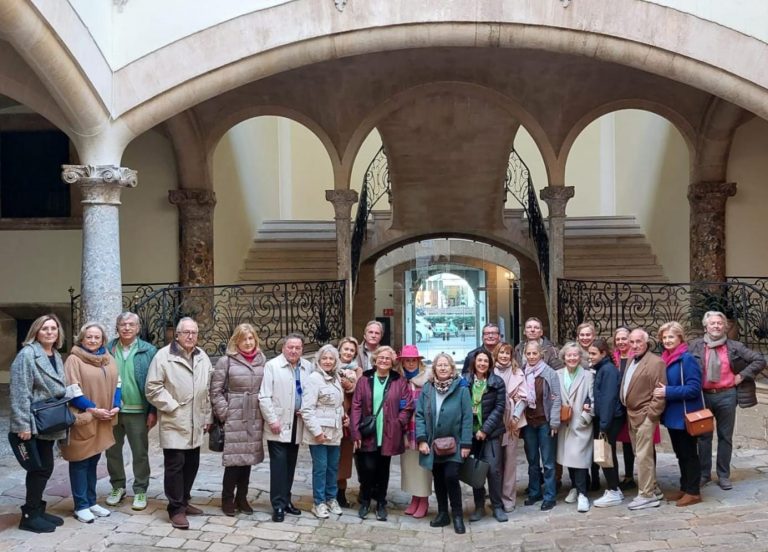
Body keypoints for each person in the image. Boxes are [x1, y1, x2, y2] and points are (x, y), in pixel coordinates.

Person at [146, 317, 214, 530]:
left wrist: (208, 415)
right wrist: (173, 406)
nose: (190, 336)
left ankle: (184, 501)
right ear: (177, 335)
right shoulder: (163, 356)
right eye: (186, 332)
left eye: (194, 332)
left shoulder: (203, 356)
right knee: (175, 465)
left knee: (192, 464)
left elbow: (209, 389)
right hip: (175, 419)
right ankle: (175, 509)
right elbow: (152, 387)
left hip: (197, 420)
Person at [689, 310, 766, 490]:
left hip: (727, 395)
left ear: (725, 326)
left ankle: (723, 475)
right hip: (703, 396)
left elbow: (759, 360)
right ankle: (704, 474)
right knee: (703, 437)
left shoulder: (735, 346)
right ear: (705, 326)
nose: (716, 326)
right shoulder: (695, 346)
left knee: (725, 437)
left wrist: (741, 375)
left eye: (719, 323)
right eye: (712, 323)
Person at [9, 314, 71, 533]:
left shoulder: (55, 354)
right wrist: (22, 426)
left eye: (54, 328)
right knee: (38, 469)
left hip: (49, 422)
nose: (50, 332)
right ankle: (29, 516)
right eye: (45, 328)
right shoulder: (27, 355)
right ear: (36, 331)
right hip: (34, 423)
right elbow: (19, 392)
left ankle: (37, 510)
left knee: (46, 468)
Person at [60, 322, 120, 523]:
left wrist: (116, 405)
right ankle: (81, 505)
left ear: (103, 340)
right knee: (79, 460)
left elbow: (117, 383)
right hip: (84, 417)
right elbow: (72, 390)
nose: (93, 340)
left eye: (97, 337)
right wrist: (93, 409)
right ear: (82, 339)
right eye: (89, 337)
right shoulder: (74, 360)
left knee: (93, 460)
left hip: (103, 417)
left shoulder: (108, 358)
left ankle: (91, 501)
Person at [349, 345, 413, 522]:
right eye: (381, 357)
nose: (384, 361)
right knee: (368, 468)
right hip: (368, 432)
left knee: (383, 470)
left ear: (392, 361)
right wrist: (356, 433)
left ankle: (381, 503)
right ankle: (366, 500)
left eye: (387, 358)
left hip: (389, 433)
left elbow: (407, 405)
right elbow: (356, 406)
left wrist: (399, 423)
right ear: (375, 359)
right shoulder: (365, 379)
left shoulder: (398, 381)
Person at [210, 323, 266, 516]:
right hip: (235, 414)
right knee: (234, 461)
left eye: (251, 338)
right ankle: (227, 499)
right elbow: (215, 391)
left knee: (247, 460)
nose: (248, 342)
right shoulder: (226, 361)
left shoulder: (262, 359)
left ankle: (242, 497)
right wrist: (225, 412)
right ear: (236, 341)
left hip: (254, 415)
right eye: (244, 339)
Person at [105, 312, 158, 511]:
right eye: (122, 324)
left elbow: (155, 382)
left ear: (138, 328)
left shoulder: (149, 350)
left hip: (138, 411)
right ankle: (117, 486)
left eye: (131, 325)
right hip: (112, 411)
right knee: (112, 452)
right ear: (117, 327)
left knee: (140, 453)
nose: (126, 328)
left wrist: (153, 411)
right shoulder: (107, 349)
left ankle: (141, 489)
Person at [416, 353, 472, 534]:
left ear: (452, 368)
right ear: (434, 368)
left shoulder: (461, 389)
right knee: (438, 479)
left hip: (454, 444)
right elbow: (419, 416)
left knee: (451, 476)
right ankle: (442, 513)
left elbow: (467, 418)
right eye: (439, 365)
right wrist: (422, 439)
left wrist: (465, 443)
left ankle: (457, 515)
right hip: (433, 444)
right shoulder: (427, 389)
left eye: (446, 365)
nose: (442, 368)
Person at [259, 333, 313, 522]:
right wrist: (272, 420)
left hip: (297, 423)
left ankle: (287, 500)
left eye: (298, 348)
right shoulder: (272, 366)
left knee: (290, 465)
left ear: (302, 349)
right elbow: (264, 397)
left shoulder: (307, 367)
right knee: (279, 466)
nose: (294, 351)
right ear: (284, 348)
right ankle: (278, 505)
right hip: (278, 424)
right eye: (290, 347)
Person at [654, 321, 704, 506]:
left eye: (671, 337)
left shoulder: (686, 359)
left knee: (689, 453)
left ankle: (694, 492)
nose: (667, 340)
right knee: (680, 453)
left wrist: (668, 391)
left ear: (680, 338)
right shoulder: (665, 357)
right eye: (664, 337)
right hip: (672, 415)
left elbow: (693, 388)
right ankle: (685, 487)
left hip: (685, 415)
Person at [620, 328, 666, 511]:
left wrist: (651, 416)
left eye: (638, 341)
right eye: (632, 342)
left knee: (644, 456)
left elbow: (660, 392)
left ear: (646, 342)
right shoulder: (631, 359)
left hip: (645, 415)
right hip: (631, 414)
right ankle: (654, 488)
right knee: (639, 453)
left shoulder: (656, 363)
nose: (635, 345)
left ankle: (646, 495)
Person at [301, 344, 348, 519]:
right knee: (320, 468)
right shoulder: (314, 379)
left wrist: (344, 417)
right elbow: (307, 409)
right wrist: (317, 432)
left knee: (332, 467)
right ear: (318, 360)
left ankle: (331, 498)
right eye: (324, 358)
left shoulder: (336, 378)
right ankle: (318, 502)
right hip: (320, 433)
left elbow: (337, 403)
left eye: (331, 358)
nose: (328, 362)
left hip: (335, 431)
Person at [466, 348, 508, 522]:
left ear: (490, 364)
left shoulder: (497, 382)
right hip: (470, 433)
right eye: (479, 360)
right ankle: (479, 506)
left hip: (491, 433)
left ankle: (497, 506)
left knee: (493, 470)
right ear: (474, 363)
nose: (482, 364)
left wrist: (485, 430)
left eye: (485, 361)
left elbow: (499, 408)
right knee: (476, 470)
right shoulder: (465, 382)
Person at [522, 340, 561, 511]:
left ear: (541, 354)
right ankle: (534, 491)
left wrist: (554, 422)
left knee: (548, 461)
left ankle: (550, 495)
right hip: (529, 423)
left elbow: (556, 397)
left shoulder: (549, 373)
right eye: (528, 354)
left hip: (545, 422)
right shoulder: (522, 372)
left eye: (534, 353)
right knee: (532, 461)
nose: (531, 356)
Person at [556, 342, 595, 513]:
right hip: (564, 424)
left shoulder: (588, 376)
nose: (572, 358)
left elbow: (593, 399)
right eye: (568, 355)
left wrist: (586, 418)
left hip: (580, 423)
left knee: (579, 459)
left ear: (580, 357)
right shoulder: (557, 374)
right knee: (568, 458)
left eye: (575, 355)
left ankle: (582, 494)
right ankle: (574, 487)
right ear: (564, 358)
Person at [589, 338, 625, 508]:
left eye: (593, 353)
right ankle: (613, 488)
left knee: (604, 455)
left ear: (603, 353)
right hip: (605, 418)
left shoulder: (608, 370)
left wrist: (603, 424)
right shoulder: (602, 368)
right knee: (604, 454)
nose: (590, 357)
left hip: (609, 419)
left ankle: (613, 490)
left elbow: (608, 398)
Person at [398, 344, 432, 519]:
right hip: (405, 430)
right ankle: (414, 497)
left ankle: (423, 499)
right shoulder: (400, 379)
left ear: (419, 362)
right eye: (407, 361)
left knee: (423, 467)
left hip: (422, 428)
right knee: (409, 466)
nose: (410, 364)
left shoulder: (428, 378)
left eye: (413, 360)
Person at [493, 342, 527, 512]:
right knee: (494, 462)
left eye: (507, 353)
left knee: (510, 462)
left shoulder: (517, 372)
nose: (504, 356)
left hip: (512, 422)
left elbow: (523, 398)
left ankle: (508, 498)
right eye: (501, 353)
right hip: (493, 422)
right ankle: (495, 497)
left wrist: (515, 416)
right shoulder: (490, 371)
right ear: (496, 354)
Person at [336, 336, 362, 507]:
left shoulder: (358, 371)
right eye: (346, 349)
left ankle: (341, 493)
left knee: (344, 458)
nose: (348, 352)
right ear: (339, 350)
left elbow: (359, 393)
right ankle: (326, 492)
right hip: (331, 418)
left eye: (352, 350)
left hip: (348, 420)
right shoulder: (330, 365)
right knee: (329, 458)